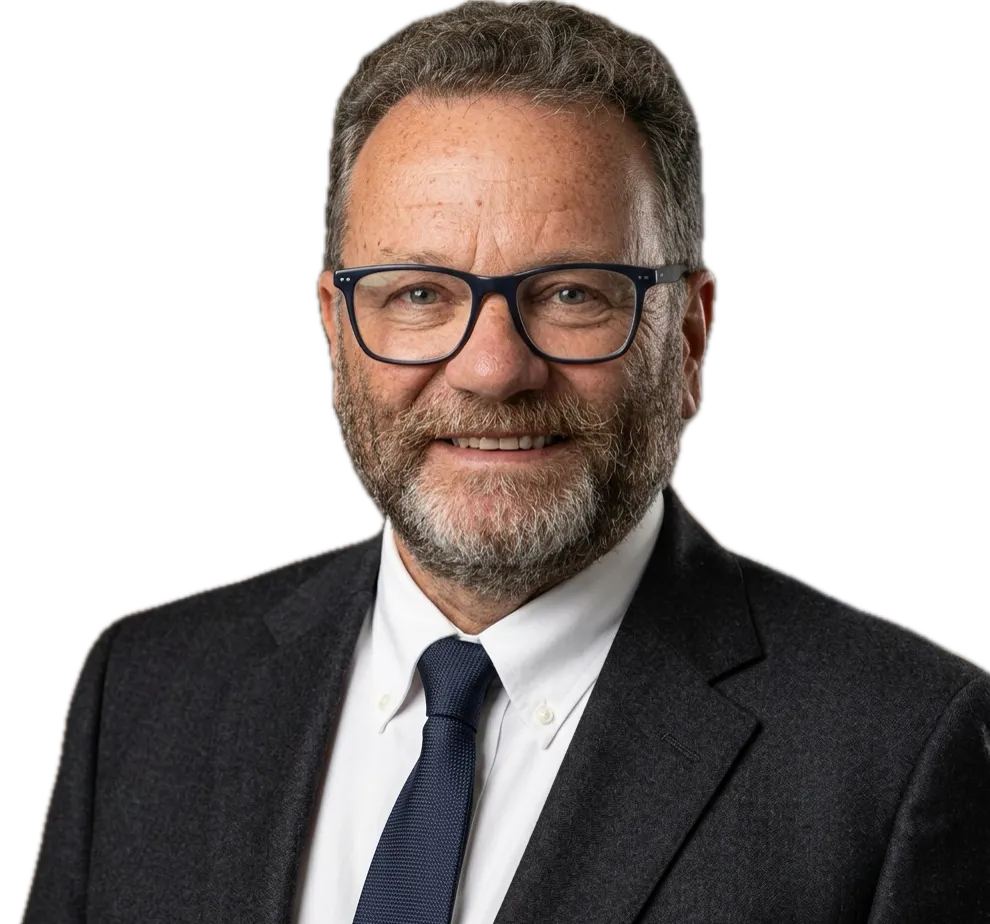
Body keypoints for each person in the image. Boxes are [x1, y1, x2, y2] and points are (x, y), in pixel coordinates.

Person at [21, 1, 989, 922]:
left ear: (690, 338)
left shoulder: (895, 746)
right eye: (417, 295)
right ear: (333, 331)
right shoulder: (148, 689)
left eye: (573, 293)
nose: (493, 370)